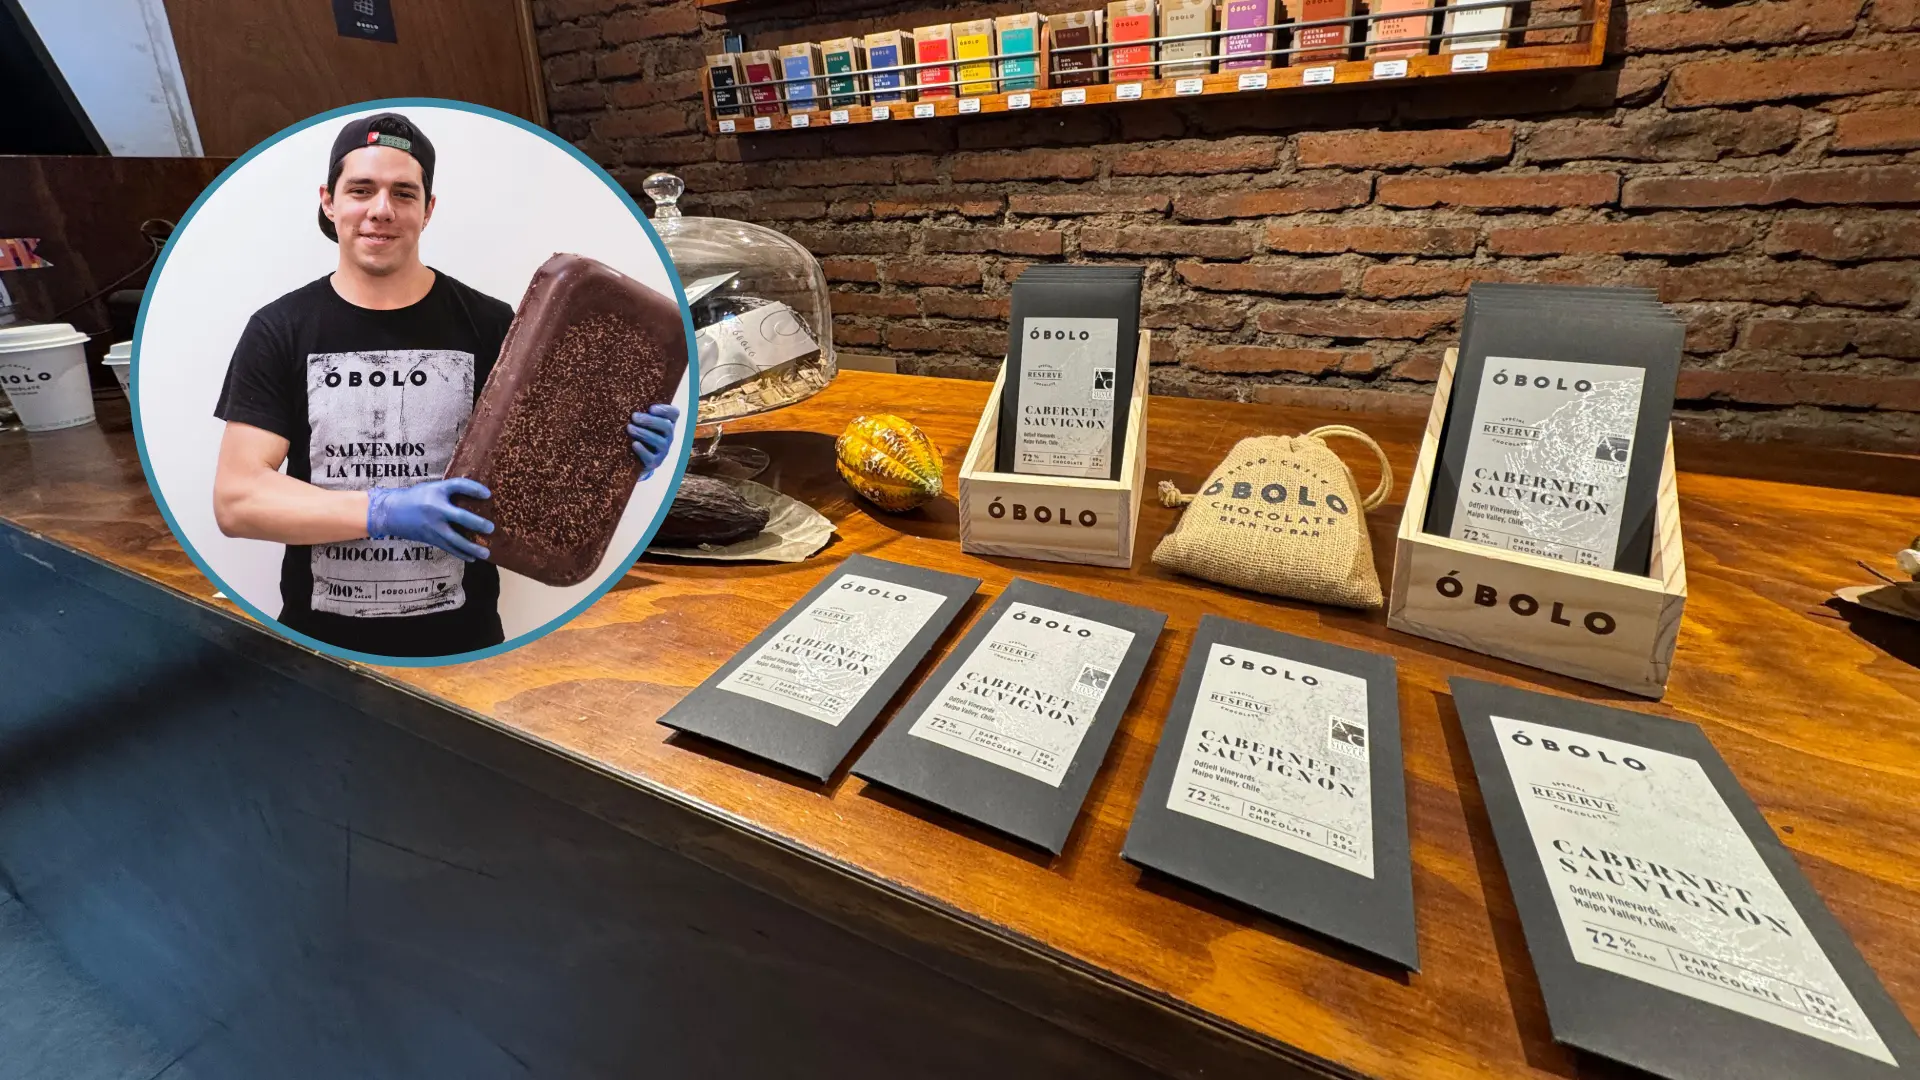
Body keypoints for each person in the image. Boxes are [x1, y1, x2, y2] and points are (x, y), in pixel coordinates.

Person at [212, 112, 679, 657]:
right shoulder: (279, 329)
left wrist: (615, 455)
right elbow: (238, 500)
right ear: (329, 201)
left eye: (403, 193)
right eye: (361, 190)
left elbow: (541, 469)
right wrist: (383, 512)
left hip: (466, 645)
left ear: (427, 209)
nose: (381, 210)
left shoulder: (491, 324)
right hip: (319, 644)